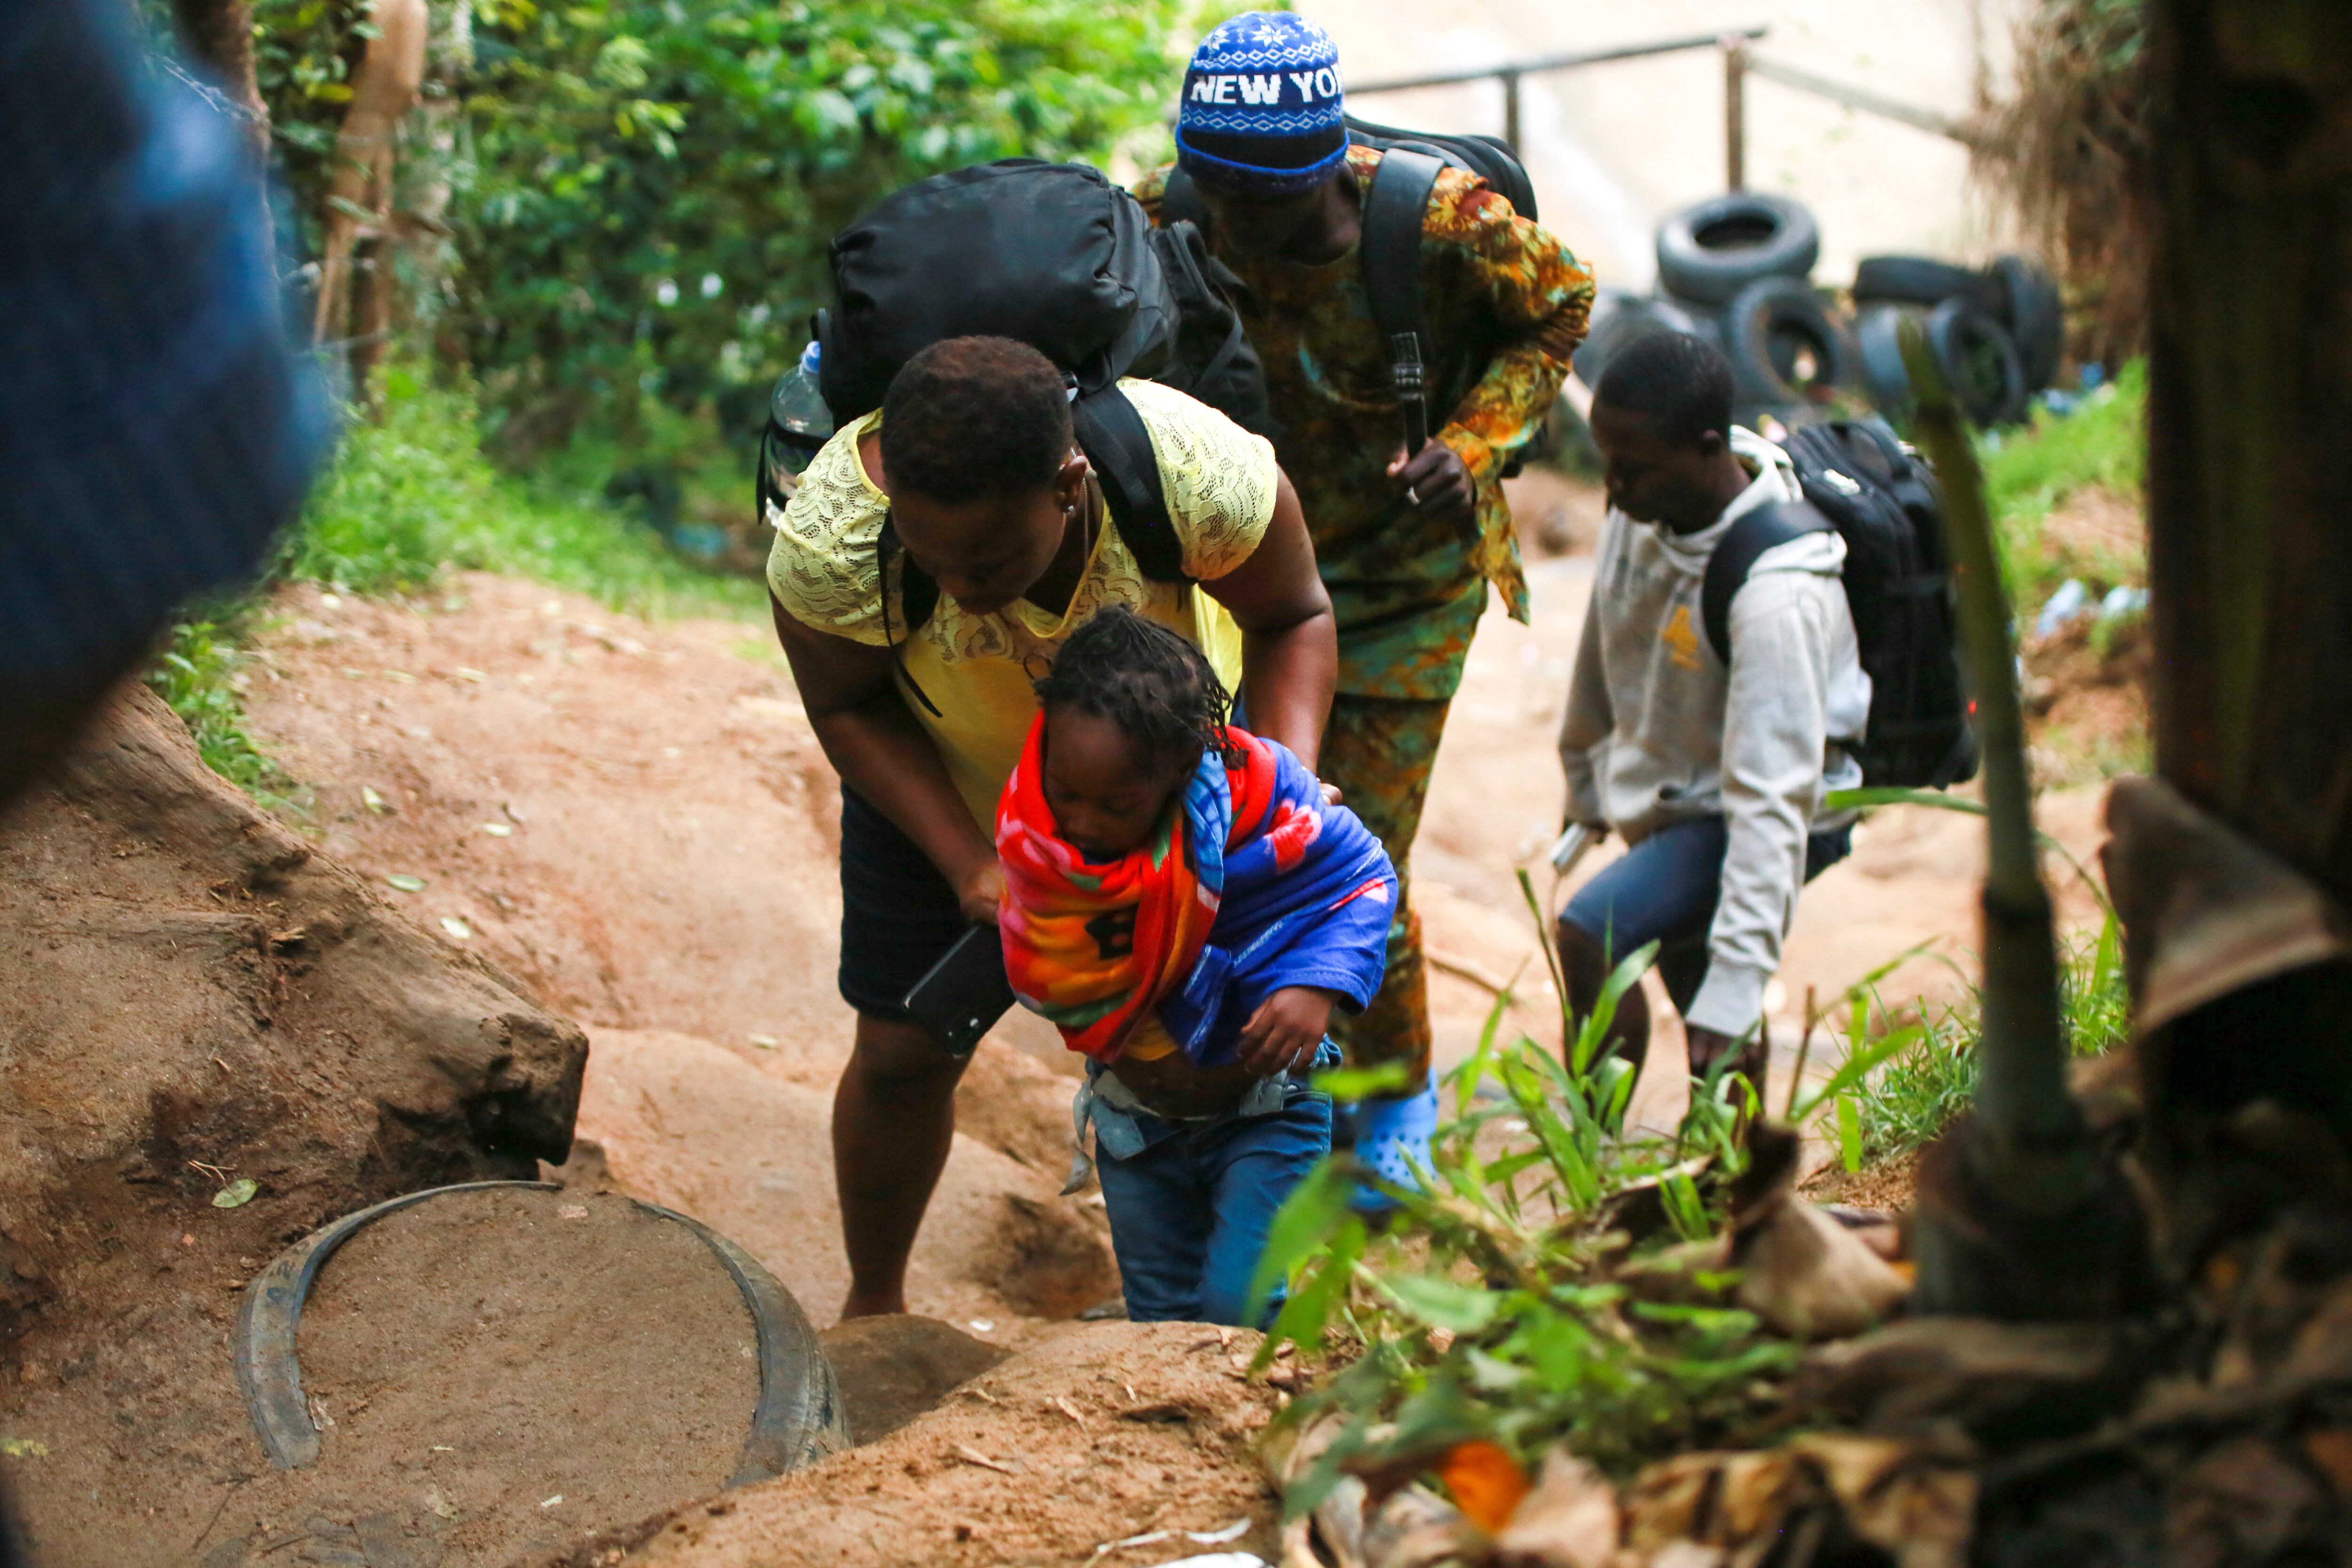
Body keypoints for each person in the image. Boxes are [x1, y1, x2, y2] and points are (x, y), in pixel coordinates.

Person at [767, 334, 1337, 1318]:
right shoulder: (830, 541)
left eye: (989, 560)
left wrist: (1283, 794)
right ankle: (875, 1307)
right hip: (947, 785)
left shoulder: (1191, 472)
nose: (956, 584)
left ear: (1067, 483)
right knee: (905, 1051)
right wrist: (966, 860)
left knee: (1210, 1034)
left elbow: (1295, 612)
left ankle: (1222, 1305)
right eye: (929, 555)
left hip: (1171, 780)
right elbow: (847, 706)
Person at [1134, 12, 1594, 1186]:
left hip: (1405, 583)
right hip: (1259, 570)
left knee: (1345, 848)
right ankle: (1261, 1089)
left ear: (1323, 172)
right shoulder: (1177, 206)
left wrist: (1475, 441)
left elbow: (1564, 302)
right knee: (1233, 830)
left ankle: (1391, 1110)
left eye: (1259, 208)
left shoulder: (1439, 223)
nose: (1231, 228)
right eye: (1213, 195)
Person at [997, 608, 1395, 1324]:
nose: (1082, 821)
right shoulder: (1039, 842)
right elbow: (1047, 952)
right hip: (1137, 1121)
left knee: (1241, 1303)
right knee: (1160, 1312)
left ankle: (1258, 1421)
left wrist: (1317, 984)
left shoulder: (1261, 802)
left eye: (1116, 804)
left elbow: (1362, 875)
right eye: (1069, 792)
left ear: (1183, 772)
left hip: (1266, 1103)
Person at [1555, 333, 1870, 1089]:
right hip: (1683, 793)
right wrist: (1586, 785)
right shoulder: (1644, 502)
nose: (1614, 484)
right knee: (1700, 996)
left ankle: (1594, 1161)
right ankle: (1733, 1184)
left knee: (1593, 930)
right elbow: (1608, 643)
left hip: (1774, 805)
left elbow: (1774, 793)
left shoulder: (1779, 594)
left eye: (1634, 466)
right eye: (1608, 458)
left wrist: (1742, 982)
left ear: (1704, 449)